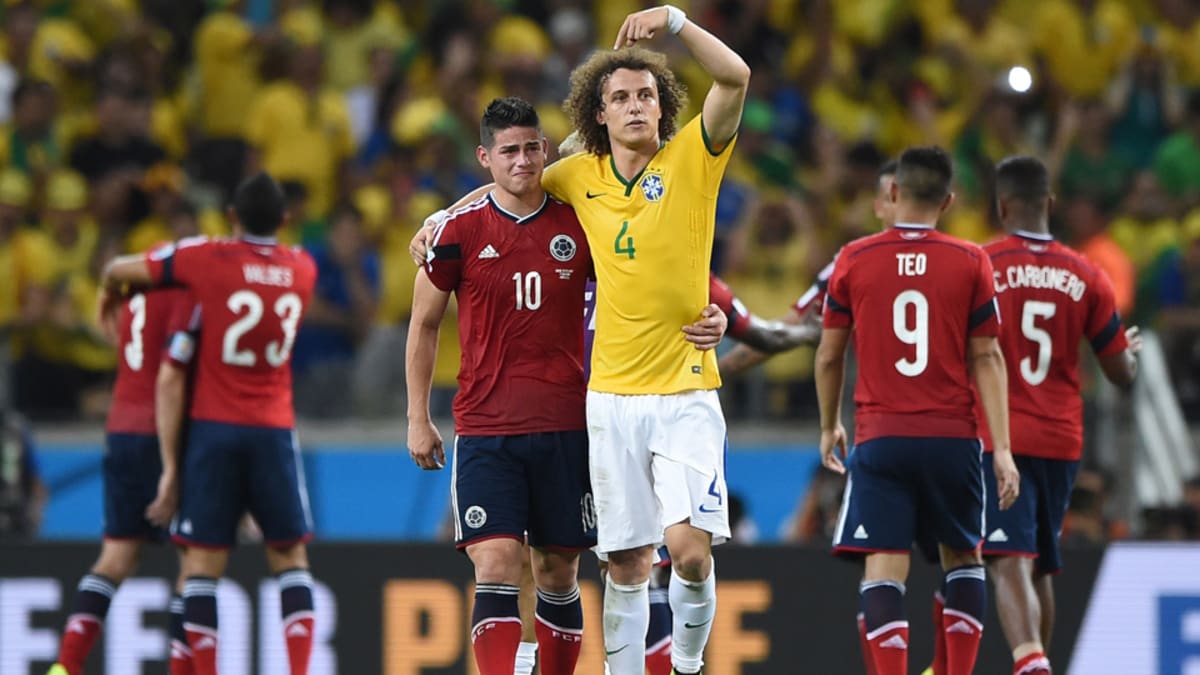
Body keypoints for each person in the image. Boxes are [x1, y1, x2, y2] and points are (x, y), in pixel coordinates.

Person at [410, 8, 749, 674]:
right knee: (621, 562)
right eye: (618, 97)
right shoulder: (575, 177)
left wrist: (677, 22)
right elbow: (511, 184)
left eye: (646, 96)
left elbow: (735, 77)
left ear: (662, 106)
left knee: (689, 551)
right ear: (597, 114)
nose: (633, 107)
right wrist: (442, 215)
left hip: (685, 383)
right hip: (609, 398)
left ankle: (685, 662)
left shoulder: (693, 157)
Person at [97, 172, 318, 675]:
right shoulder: (302, 267)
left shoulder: (207, 259)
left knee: (201, 568)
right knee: (289, 559)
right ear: (285, 220)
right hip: (273, 428)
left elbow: (127, 267)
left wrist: (112, 283)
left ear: (232, 217)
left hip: (213, 429)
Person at [816, 146, 1020, 675]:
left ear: (892, 192)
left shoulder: (854, 258)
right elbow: (988, 356)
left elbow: (829, 353)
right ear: (949, 201)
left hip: (882, 436)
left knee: (884, 568)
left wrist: (828, 424)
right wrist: (1002, 450)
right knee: (964, 558)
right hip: (953, 436)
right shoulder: (972, 259)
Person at [974, 156, 1139, 675]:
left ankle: (1030, 662)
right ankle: (1039, 665)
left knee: (1005, 560)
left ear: (1002, 207)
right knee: (1039, 564)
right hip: (1063, 439)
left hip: (1000, 436)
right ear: (1050, 204)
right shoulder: (1087, 273)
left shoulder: (980, 264)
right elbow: (1121, 374)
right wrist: (1127, 351)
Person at [47, 283, 196, 675]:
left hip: (121, 429)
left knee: (116, 557)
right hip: (161, 431)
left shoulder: (134, 301)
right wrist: (174, 463)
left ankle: (66, 665)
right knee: (194, 560)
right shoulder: (184, 297)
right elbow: (173, 375)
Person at [718, 160, 897, 374]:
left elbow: (814, 268)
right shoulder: (750, 250)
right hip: (756, 373)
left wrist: (800, 214)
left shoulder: (840, 257)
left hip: (797, 366)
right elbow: (734, 261)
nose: (773, 220)